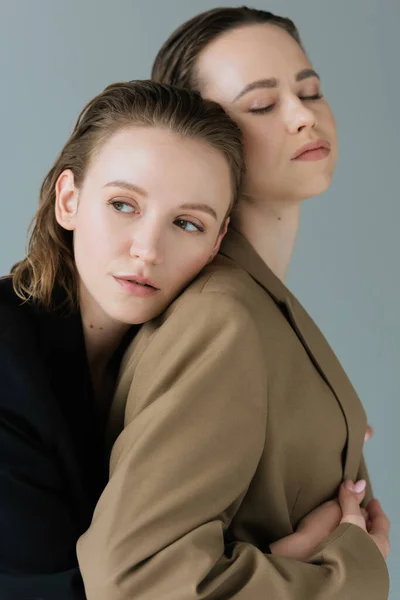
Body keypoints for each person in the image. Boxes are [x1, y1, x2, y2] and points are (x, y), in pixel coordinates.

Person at [77, 7, 390, 600]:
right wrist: (350, 573)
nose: (304, 116)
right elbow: (136, 577)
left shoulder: (255, 303)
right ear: (205, 135)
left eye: (311, 90)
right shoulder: (221, 315)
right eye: (262, 105)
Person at [0, 80, 245, 599]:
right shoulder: (6, 355)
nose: (148, 249)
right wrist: (300, 568)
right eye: (123, 205)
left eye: (186, 223)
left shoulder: (170, 355)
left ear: (218, 241)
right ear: (69, 200)